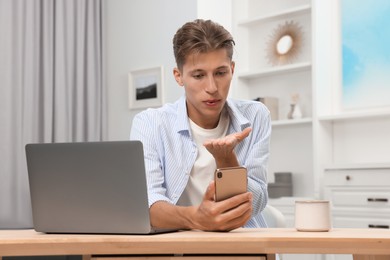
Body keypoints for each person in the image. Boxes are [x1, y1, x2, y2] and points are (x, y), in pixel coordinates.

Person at [130, 19, 271, 231]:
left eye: (221, 73)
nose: (212, 87)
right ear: (179, 76)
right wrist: (196, 218)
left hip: (241, 244)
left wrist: (226, 160)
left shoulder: (255, 115)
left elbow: (256, 203)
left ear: (232, 70)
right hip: (178, 247)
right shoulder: (150, 123)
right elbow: (148, 205)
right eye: (198, 75)